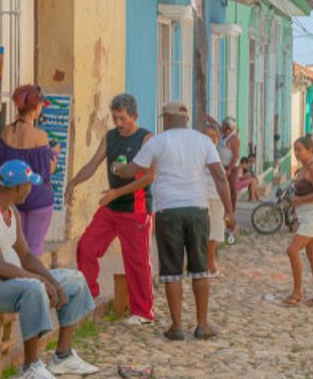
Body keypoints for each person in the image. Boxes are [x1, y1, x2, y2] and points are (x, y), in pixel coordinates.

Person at [0, 160, 97, 379]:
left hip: (8, 282)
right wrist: (40, 281)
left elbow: (26, 256)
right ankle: (30, 369)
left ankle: (62, 356)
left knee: (75, 280)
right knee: (32, 289)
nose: (31, 189)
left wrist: (52, 281)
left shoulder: (11, 211)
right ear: (18, 188)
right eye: (28, 185)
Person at [114, 102, 235, 341]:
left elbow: (132, 170)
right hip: (197, 209)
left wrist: (117, 168)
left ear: (166, 120)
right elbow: (220, 177)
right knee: (200, 269)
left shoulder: (157, 142)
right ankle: (202, 325)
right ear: (186, 120)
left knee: (172, 271)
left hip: (168, 211)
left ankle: (177, 326)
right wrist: (229, 211)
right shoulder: (202, 141)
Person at [65, 94, 156, 326]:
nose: (118, 123)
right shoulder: (110, 137)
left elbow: (148, 177)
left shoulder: (146, 139)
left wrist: (116, 193)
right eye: (115, 118)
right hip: (111, 206)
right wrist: (73, 182)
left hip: (136, 208)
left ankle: (143, 311)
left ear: (134, 116)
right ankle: (89, 294)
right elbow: (94, 163)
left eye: (122, 118)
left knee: (136, 261)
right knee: (86, 246)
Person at [0, 84, 59, 257]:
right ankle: (33, 283)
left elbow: (2, 163)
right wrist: (55, 154)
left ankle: (17, 281)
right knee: (34, 247)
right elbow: (47, 170)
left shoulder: (6, 133)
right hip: (38, 197)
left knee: (15, 247)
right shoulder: (39, 136)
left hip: (14, 197)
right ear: (36, 107)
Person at [284, 136, 313, 307]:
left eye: (299, 149)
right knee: (312, 255)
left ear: (310, 150)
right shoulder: (304, 168)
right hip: (306, 216)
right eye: (295, 149)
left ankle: (297, 292)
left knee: (292, 251)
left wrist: (298, 201)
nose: (296, 153)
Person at [203, 121, 227, 277]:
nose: (212, 139)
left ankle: (210, 261)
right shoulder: (199, 154)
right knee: (205, 232)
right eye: (208, 136)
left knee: (215, 231)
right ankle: (208, 263)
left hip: (216, 198)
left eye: (215, 136)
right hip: (204, 196)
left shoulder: (216, 154)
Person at [217, 117, 241, 211]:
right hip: (221, 166)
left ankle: (232, 210)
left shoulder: (234, 138)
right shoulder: (222, 136)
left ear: (228, 127)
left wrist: (229, 170)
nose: (222, 126)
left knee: (231, 189)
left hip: (230, 168)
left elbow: (236, 156)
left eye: (224, 125)